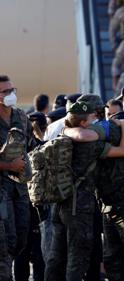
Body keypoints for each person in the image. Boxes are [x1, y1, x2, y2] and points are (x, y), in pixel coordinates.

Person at [45, 101, 124, 281]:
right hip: (79, 207)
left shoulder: (63, 137)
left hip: (59, 201)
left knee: (56, 255)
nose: (96, 120)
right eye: (93, 117)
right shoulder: (92, 145)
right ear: (83, 123)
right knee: (78, 256)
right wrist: (122, 128)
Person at [0, 75, 35, 279]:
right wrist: (9, 165)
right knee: (5, 242)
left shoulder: (21, 116)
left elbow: (30, 144)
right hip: (2, 191)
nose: (11, 94)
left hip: (20, 189)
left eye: (12, 90)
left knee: (21, 237)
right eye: (5, 92)